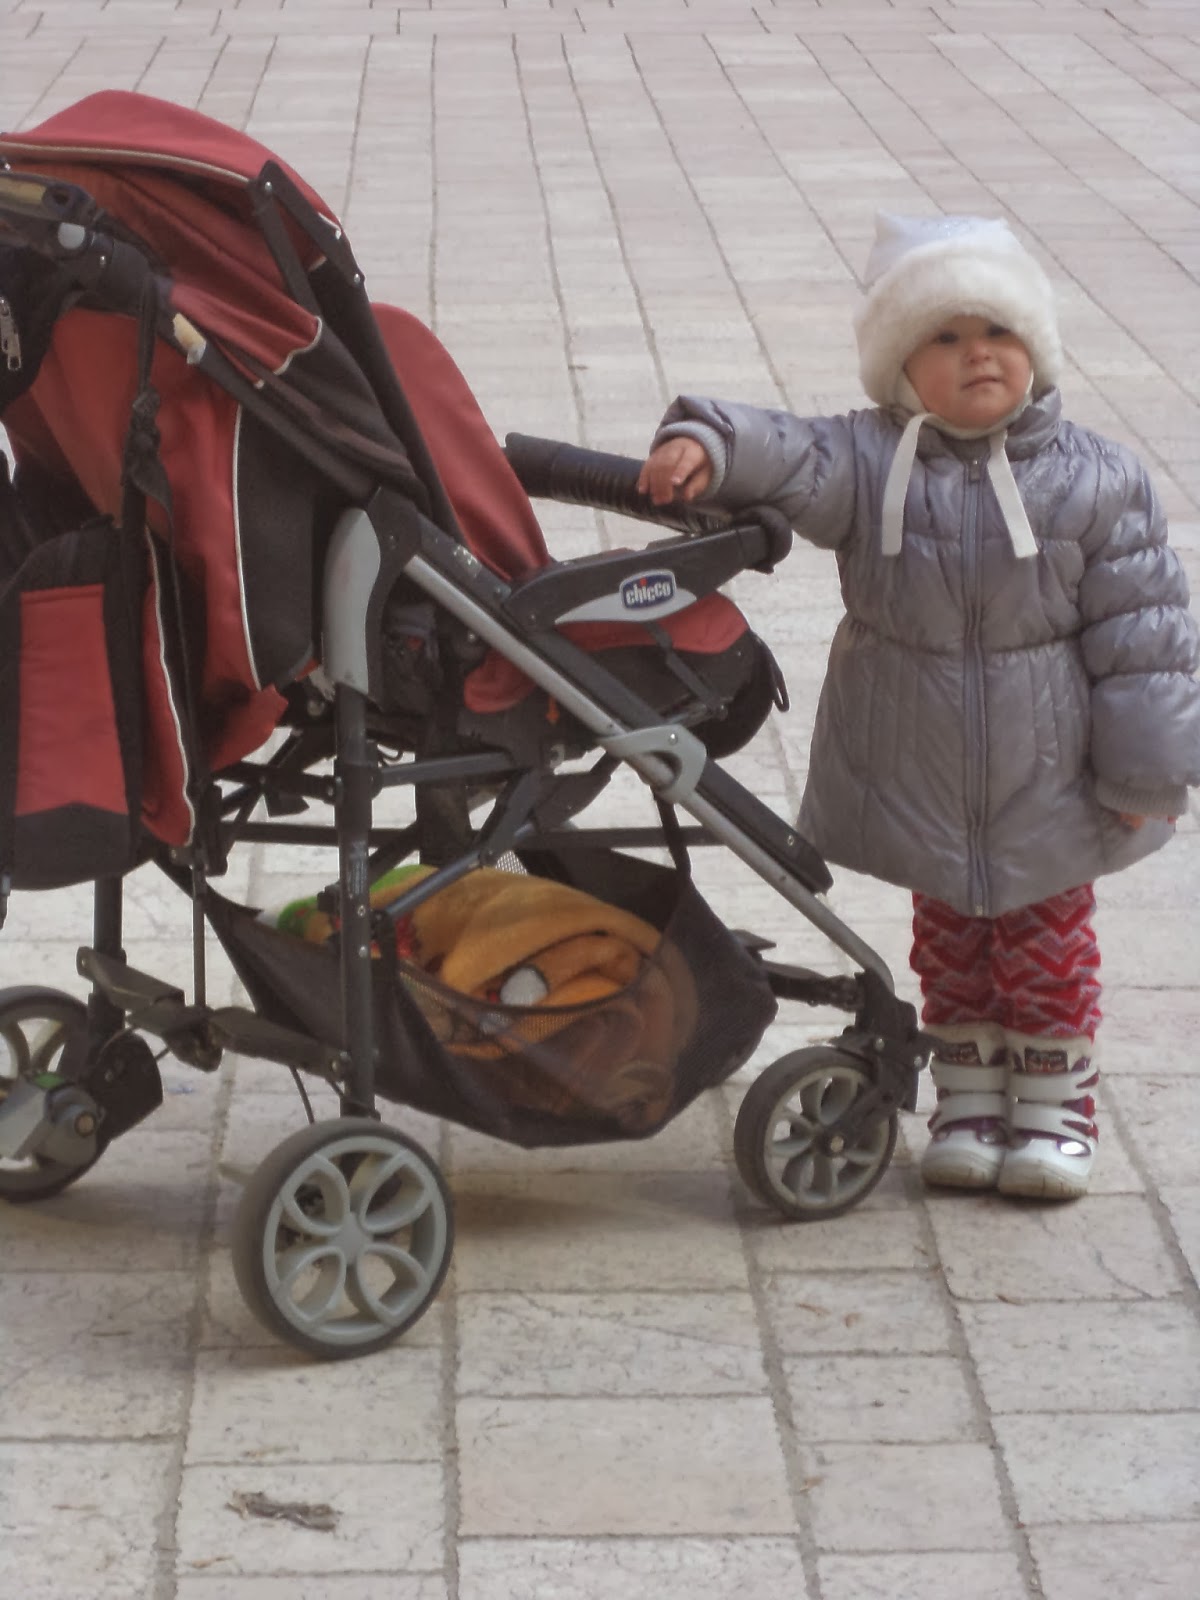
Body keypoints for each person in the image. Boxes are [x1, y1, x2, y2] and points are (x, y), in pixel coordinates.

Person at [637, 212, 1200, 1201]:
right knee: (950, 941)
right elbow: (788, 452)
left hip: (1051, 772)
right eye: (944, 336)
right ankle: (969, 1098)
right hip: (919, 768)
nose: (977, 353)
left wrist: (1144, 774)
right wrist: (706, 445)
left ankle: (1054, 1103)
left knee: (1046, 943)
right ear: (900, 367)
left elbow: (1146, 639)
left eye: (998, 331)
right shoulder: (869, 463)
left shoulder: (1098, 480)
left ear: (1036, 347)